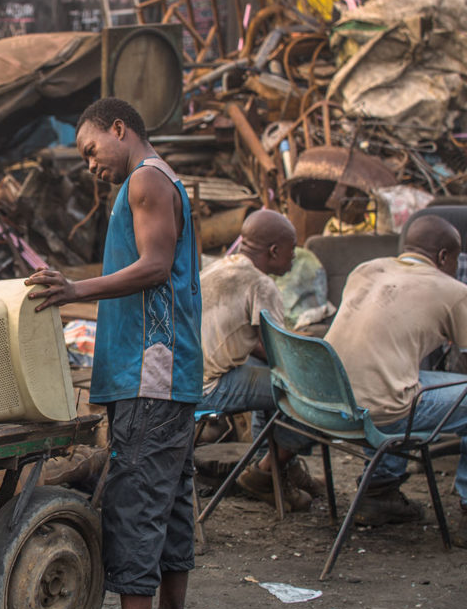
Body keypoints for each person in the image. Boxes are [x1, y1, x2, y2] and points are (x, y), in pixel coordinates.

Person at [26, 97, 201, 609]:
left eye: (91, 149)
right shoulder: (152, 180)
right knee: (168, 505)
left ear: (119, 129)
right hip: (163, 375)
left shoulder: (147, 181)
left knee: (136, 508)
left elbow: (155, 266)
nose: (90, 163)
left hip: (152, 375)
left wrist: (75, 287)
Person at [324, 215, 467, 543]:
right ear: (444, 257)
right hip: (381, 412)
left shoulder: (366, 268)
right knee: (402, 390)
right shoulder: (454, 291)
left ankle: (378, 492)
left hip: (329, 401)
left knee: (400, 379)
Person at [197, 210, 324, 511]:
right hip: (209, 387)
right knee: (306, 389)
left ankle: (276, 467)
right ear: (274, 251)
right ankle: (268, 469)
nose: (294, 258)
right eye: (292, 250)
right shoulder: (261, 284)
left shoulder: (216, 269)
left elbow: (252, 341)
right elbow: (280, 351)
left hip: (186, 378)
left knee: (271, 374)